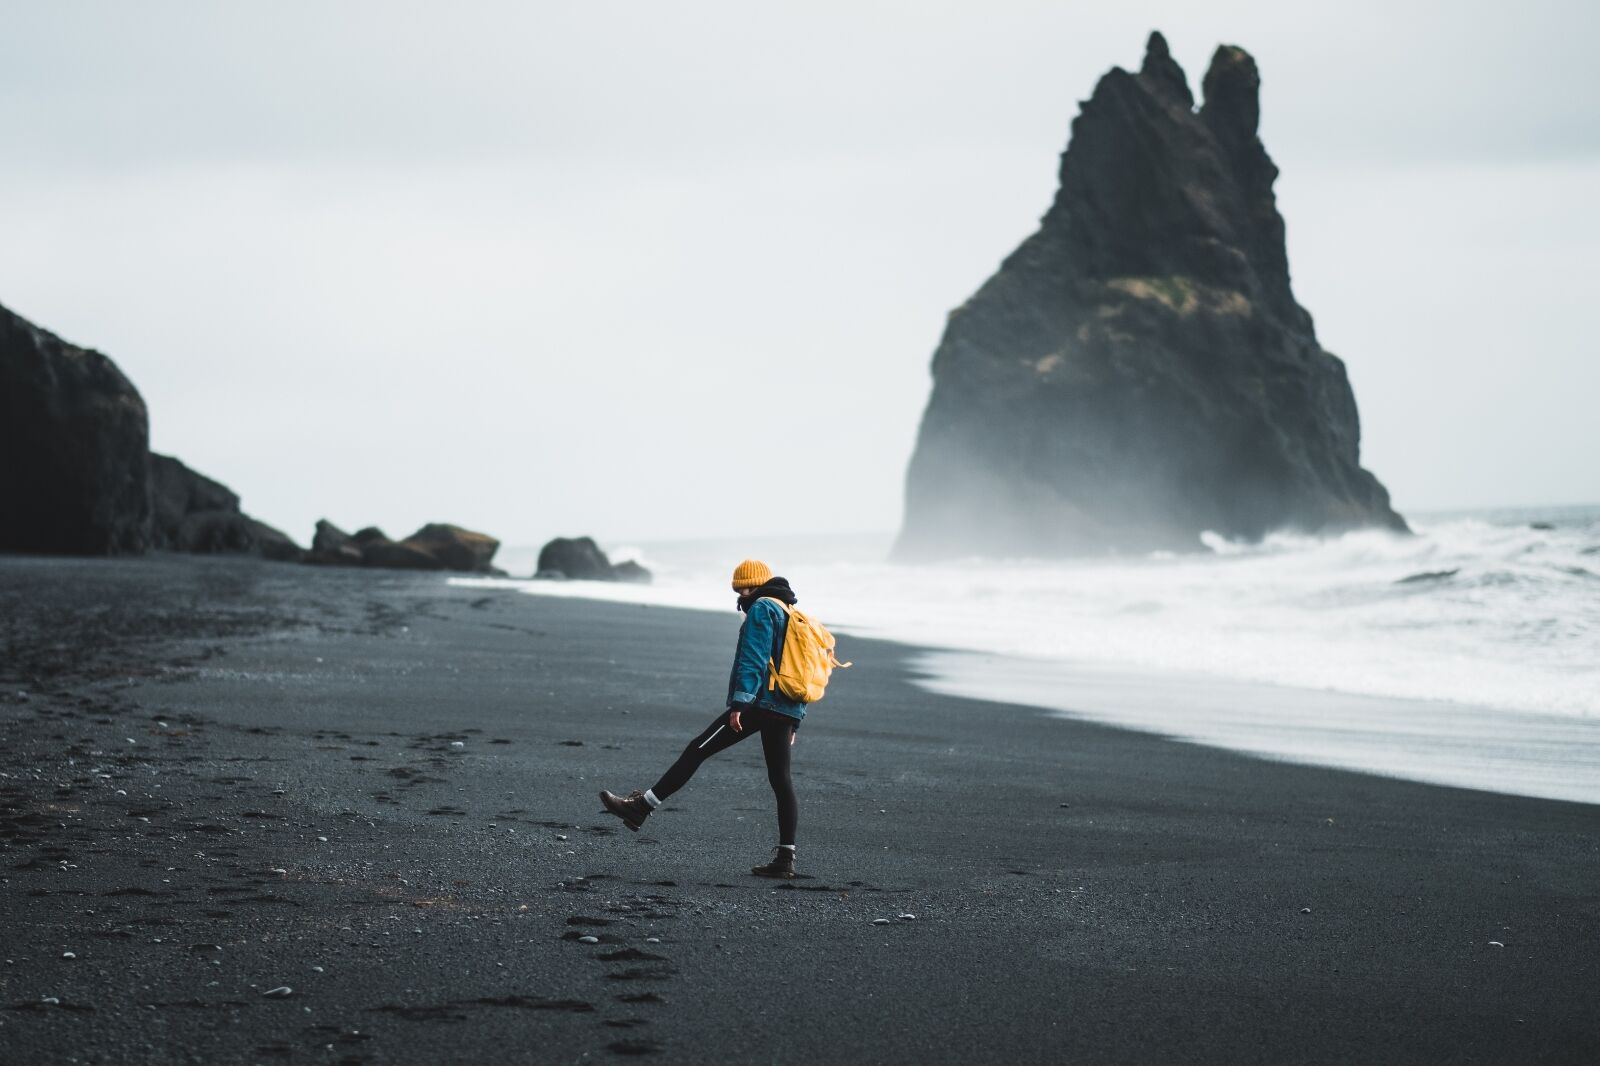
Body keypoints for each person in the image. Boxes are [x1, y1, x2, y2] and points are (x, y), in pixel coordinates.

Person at [599, 558, 807, 879]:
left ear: (759, 584)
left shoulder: (762, 609)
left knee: (698, 748)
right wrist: (795, 719)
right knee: (781, 779)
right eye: (739, 589)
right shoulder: (790, 611)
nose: (743, 593)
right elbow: (802, 669)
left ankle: (641, 808)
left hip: (758, 704)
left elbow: (753, 658)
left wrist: (740, 704)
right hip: (785, 707)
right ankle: (786, 858)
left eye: (746, 587)